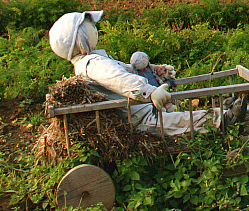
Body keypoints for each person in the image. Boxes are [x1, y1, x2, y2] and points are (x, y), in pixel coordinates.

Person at [48, 11, 223, 136]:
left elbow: (123, 70)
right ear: (81, 38)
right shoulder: (92, 64)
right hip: (138, 116)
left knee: (178, 118)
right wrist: (150, 91)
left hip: (139, 110)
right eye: (90, 27)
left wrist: (153, 69)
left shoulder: (92, 61)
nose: (95, 29)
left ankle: (225, 114)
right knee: (180, 122)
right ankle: (224, 118)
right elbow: (119, 80)